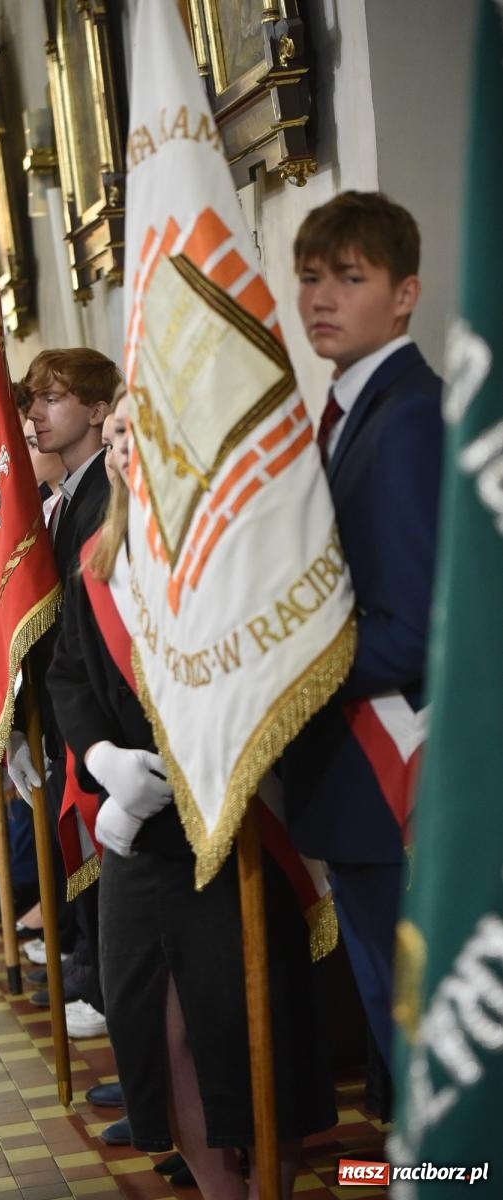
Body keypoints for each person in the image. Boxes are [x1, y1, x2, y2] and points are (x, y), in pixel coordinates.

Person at [47, 391, 336, 1199]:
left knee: (248, 1033)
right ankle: (218, 1191)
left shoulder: (233, 558)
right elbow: (70, 671)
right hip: (138, 841)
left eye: (141, 435)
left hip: (225, 824)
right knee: (153, 1026)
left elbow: (260, 696)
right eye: (114, 437)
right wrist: (103, 761)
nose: (123, 450)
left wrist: (161, 786)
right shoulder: (101, 558)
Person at [283, 191, 444, 1076]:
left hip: (392, 776)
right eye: (310, 277)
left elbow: (416, 628)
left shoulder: (410, 416)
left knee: (413, 1030)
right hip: (352, 782)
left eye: (350, 278)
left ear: (405, 292)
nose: (321, 299)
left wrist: (282, 671)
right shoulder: (352, 412)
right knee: (391, 1030)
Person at [5, 347, 121, 1037]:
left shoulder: (103, 495)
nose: (35, 415)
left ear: (99, 409)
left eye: (53, 398)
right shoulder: (76, 495)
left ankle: (112, 1003)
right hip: (71, 716)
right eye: (33, 399)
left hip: (104, 727)